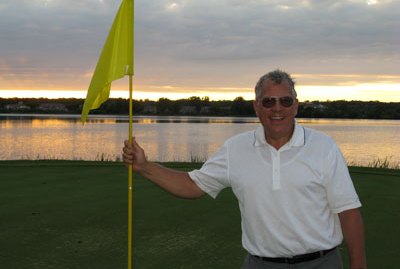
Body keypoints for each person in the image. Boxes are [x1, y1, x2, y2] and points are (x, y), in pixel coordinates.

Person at [122, 69, 367, 269]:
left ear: (295, 106)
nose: (277, 108)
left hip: (321, 263)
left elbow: (348, 212)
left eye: (285, 101)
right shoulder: (235, 148)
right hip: (259, 264)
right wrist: (144, 167)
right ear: (257, 107)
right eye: (269, 101)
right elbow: (192, 185)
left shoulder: (323, 146)